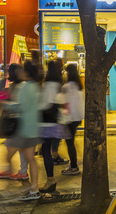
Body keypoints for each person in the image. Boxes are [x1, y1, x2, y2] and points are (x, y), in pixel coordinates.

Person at [3, 61, 43, 201]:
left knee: (9, 151)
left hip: (24, 129)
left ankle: (7, 171)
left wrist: (7, 106)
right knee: (31, 159)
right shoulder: (36, 87)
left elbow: (21, 107)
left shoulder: (26, 88)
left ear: (27, 73)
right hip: (33, 128)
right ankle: (34, 189)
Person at [0, 63, 30, 181]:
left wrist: (3, 103)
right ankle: (18, 171)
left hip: (17, 122)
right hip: (15, 122)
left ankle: (18, 171)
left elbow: (18, 105)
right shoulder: (16, 86)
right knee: (16, 148)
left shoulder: (20, 86)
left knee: (13, 148)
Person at [38, 59, 67, 193]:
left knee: (45, 151)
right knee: (46, 150)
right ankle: (50, 180)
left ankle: (50, 180)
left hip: (47, 122)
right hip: (54, 121)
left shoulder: (49, 85)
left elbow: (45, 104)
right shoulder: (58, 83)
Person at [60, 63, 84, 176]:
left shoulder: (66, 87)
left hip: (69, 118)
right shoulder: (79, 86)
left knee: (69, 143)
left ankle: (74, 166)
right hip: (77, 118)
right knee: (71, 142)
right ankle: (73, 164)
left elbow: (64, 104)